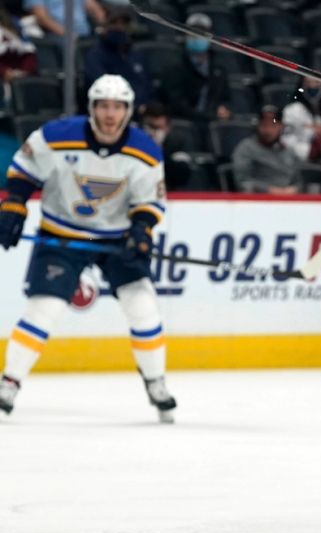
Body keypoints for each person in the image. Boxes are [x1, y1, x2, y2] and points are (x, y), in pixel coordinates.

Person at [0, 74, 175, 422]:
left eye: (118, 107)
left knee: (143, 307)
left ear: (128, 111)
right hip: (61, 234)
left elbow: (148, 203)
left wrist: (142, 232)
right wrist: (14, 204)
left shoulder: (145, 149)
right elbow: (24, 171)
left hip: (116, 239)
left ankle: (156, 382)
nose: (110, 115)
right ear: (92, 108)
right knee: (44, 308)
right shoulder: (56, 136)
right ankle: (9, 384)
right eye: (104, 106)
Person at [157, 13, 231, 124]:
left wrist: (224, 109)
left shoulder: (219, 70)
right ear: (185, 36)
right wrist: (203, 116)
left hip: (212, 124)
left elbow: (225, 98)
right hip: (184, 124)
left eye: (202, 33)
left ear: (211, 37)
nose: (197, 36)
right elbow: (175, 103)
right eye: (193, 32)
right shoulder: (173, 68)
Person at [84, 7, 154, 115]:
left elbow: (148, 87)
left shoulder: (136, 55)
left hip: (142, 115)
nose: (118, 27)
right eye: (113, 23)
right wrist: (134, 107)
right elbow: (101, 87)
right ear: (105, 26)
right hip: (113, 113)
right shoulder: (95, 55)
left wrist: (149, 107)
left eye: (123, 24)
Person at [231, 105, 302, 194]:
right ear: (258, 126)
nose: (268, 130)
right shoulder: (246, 148)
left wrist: (295, 189)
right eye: (264, 125)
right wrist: (270, 190)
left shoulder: (288, 150)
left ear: (280, 126)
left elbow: (300, 180)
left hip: (290, 200)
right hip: (258, 201)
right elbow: (242, 181)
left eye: (273, 125)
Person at [281, 75, 321, 163]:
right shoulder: (292, 110)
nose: (312, 86)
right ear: (302, 86)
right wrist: (314, 150)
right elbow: (286, 139)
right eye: (308, 82)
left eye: (317, 83)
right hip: (301, 161)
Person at [141, 101, 191, 190]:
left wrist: (157, 149)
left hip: (171, 190)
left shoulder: (178, 142)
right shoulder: (137, 142)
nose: (154, 132)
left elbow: (181, 176)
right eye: (150, 127)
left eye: (158, 128)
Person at [25, 0, 104, 46]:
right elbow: (41, 17)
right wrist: (68, 34)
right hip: (56, 35)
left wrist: (106, 25)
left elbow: (93, 7)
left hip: (86, 34)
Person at [0, 6, 37, 98]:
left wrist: (24, 71)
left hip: (17, 74)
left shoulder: (15, 25)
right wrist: (4, 71)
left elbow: (29, 53)